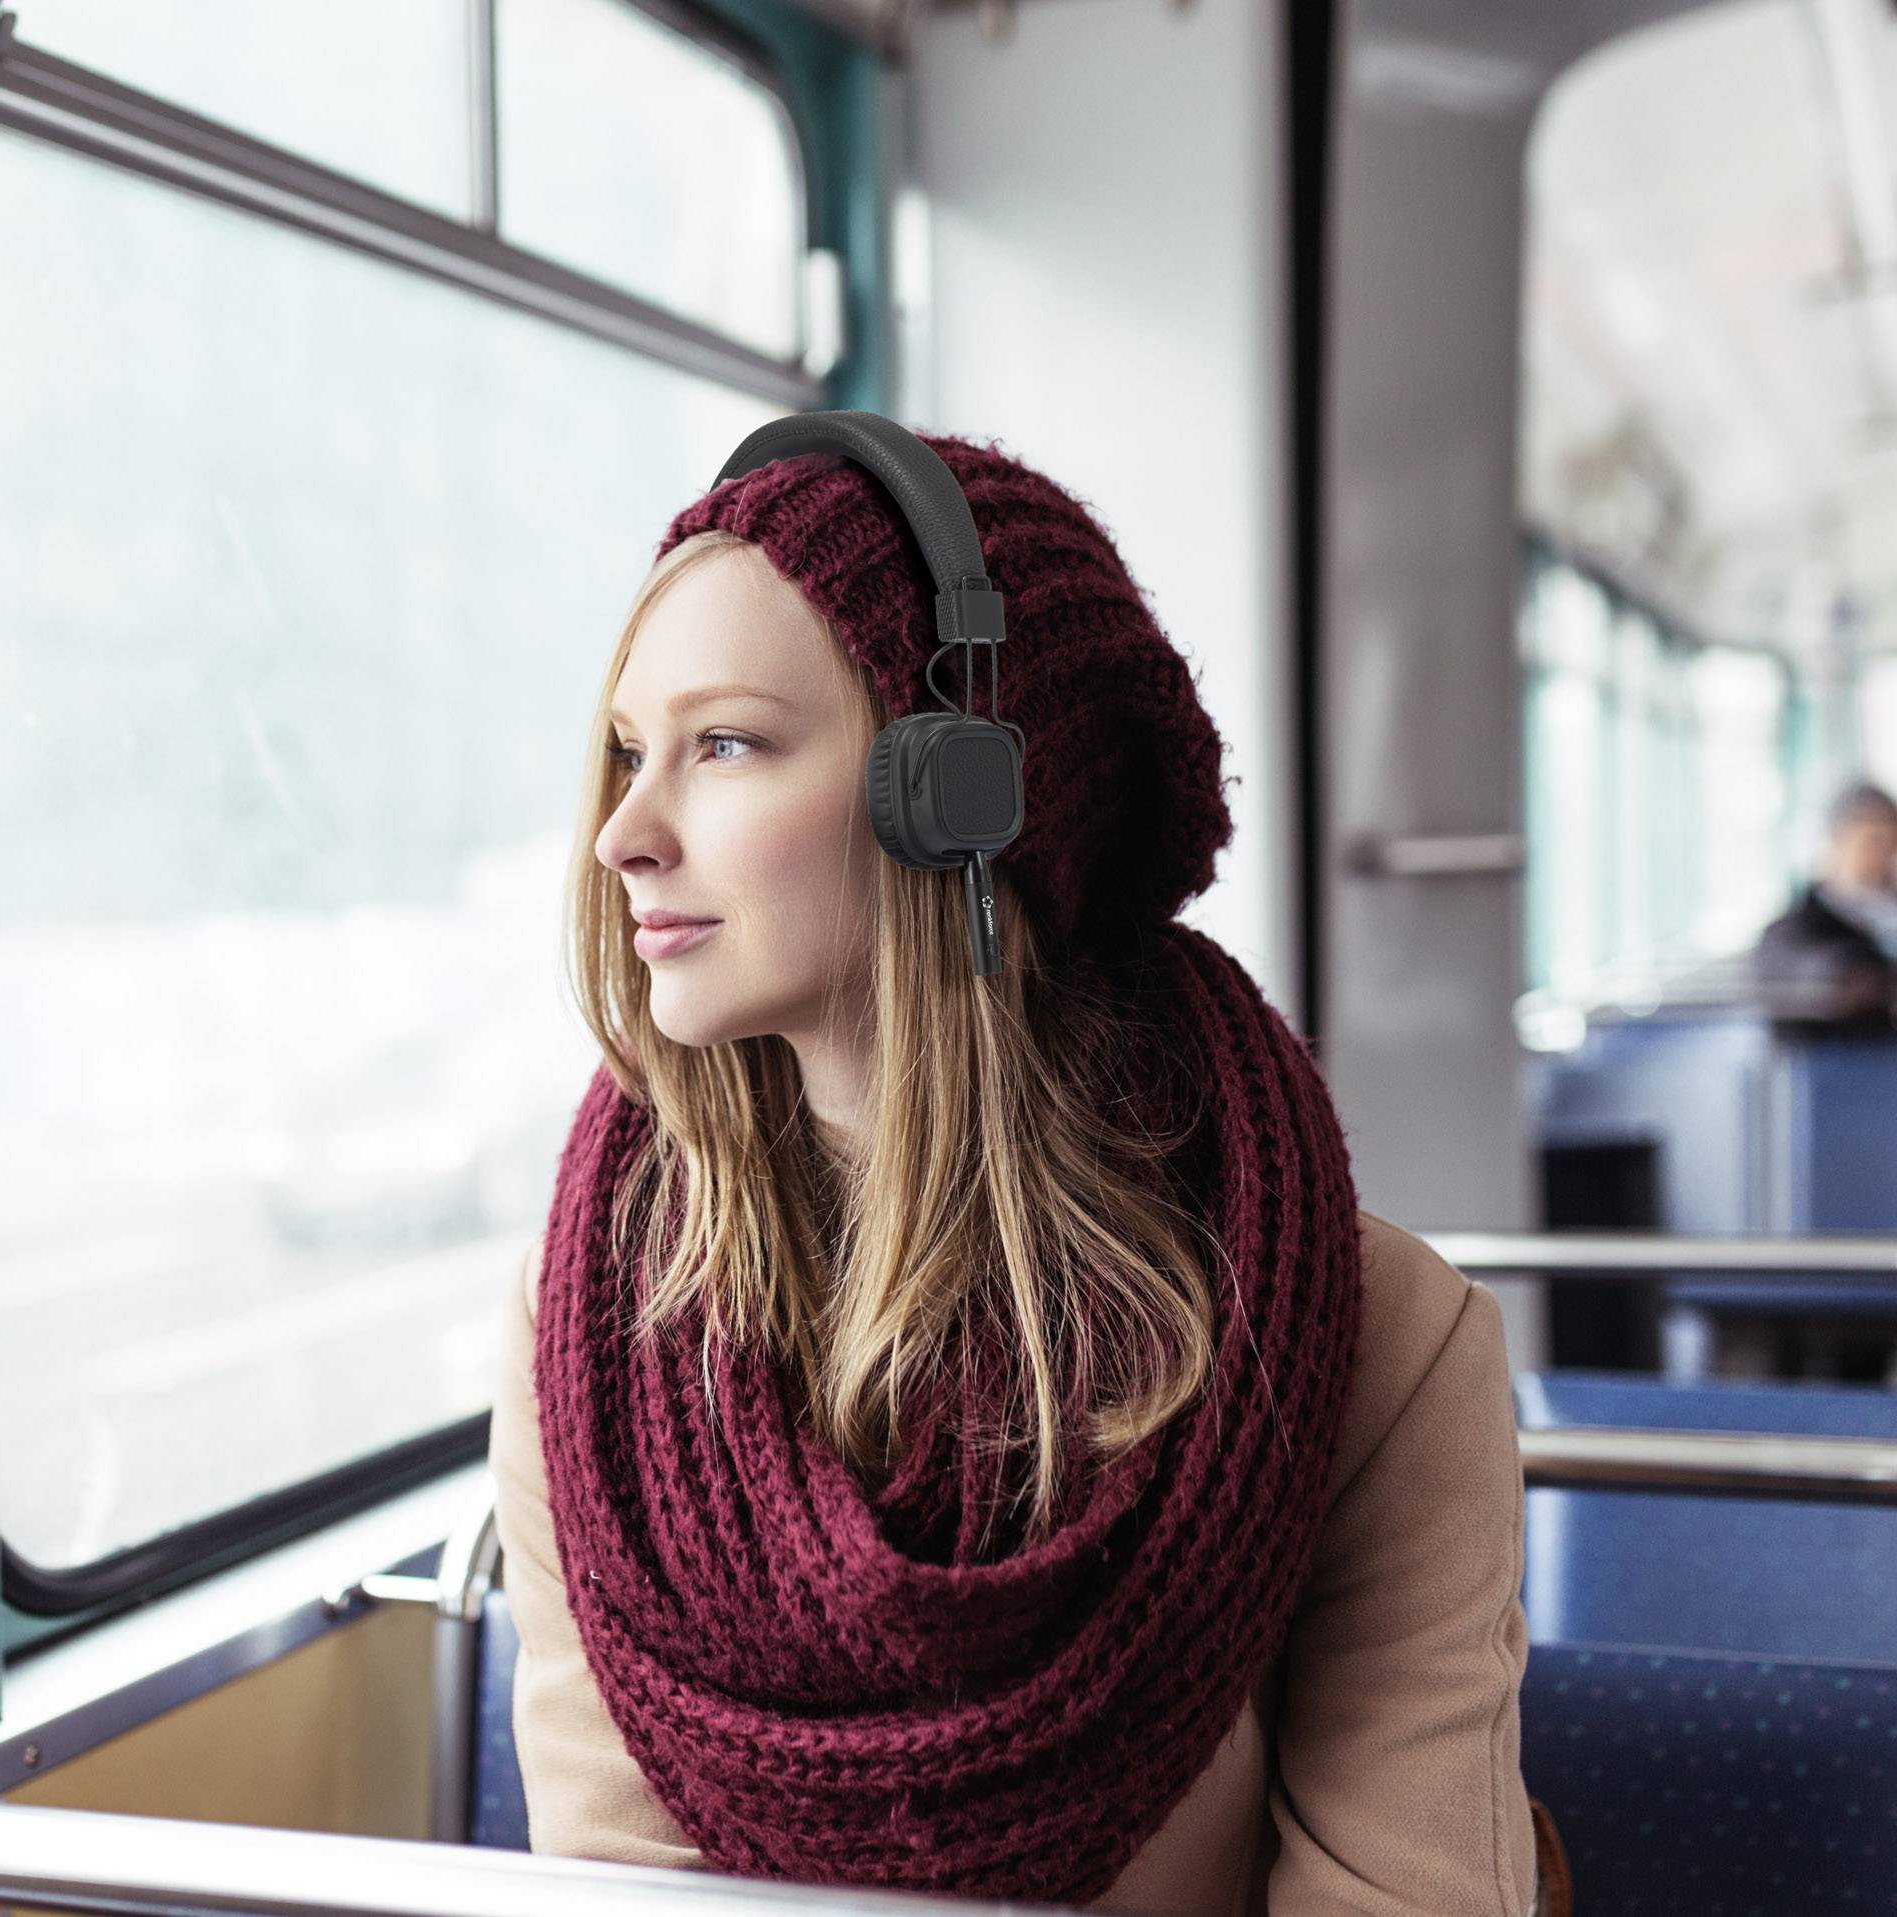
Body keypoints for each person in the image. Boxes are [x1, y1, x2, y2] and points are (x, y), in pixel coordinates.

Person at [487, 427, 1549, 1914]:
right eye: (626, 751)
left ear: (958, 793)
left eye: (724, 744)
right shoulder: (594, 1326)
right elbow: (620, 1885)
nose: (623, 835)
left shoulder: (1373, 1340)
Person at [1751, 779, 1897, 1034]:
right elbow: (1824, 980)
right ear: (1837, 841)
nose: (1883, 856)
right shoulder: (1791, 934)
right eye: (1872, 841)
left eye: (1891, 843)